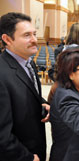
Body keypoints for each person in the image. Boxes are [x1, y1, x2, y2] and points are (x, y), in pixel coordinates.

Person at [0, 12, 49, 161]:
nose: (35, 40)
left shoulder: (28, 62)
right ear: (7, 39)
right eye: (27, 35)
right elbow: (2, 134)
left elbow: (24, 90)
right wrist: (26, 157)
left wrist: (42, 102)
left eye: (34, 34)